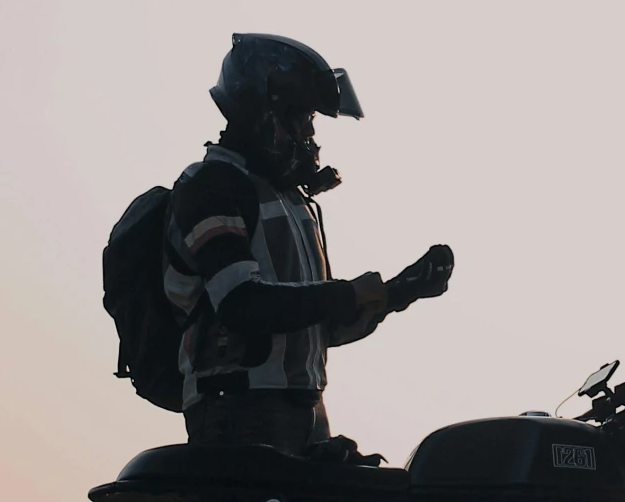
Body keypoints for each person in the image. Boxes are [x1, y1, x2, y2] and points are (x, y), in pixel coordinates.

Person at [164, 33, 454, 459]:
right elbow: (242, 304)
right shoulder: (212, 186)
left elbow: (310, 324)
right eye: (299, 116)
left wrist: (396, 294)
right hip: (236, 412)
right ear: (260, 109)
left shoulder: (294, 201)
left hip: (304, 408)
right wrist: (347, 293)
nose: (310, 132)